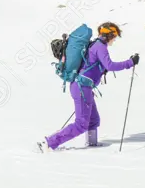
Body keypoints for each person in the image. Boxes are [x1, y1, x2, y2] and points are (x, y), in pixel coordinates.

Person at [38, 22, 139, 152]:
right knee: (81, 124)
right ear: (109, 35)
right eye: (115, 36)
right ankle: (48, 143)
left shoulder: (96, 45)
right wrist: (130, 63)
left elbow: (95, 65)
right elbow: (110, 65)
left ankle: (92, 146)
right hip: (81, 88)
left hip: (83, 87)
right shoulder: (100, 46)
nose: (115, 39)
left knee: (93, 119)